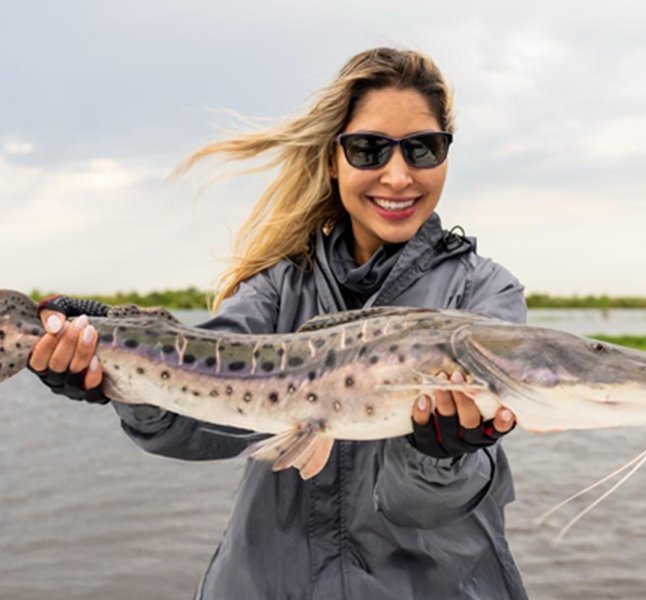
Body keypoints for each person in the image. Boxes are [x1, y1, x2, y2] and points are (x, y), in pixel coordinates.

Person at [27, 47, 529, 599]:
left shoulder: (483, 294)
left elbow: (423, 508)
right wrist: (122, 378)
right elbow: (199, 427)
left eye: (423, 149)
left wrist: (442, 454)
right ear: (333, 158)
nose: (398, 174)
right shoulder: (277, 286)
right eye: (368, 149)